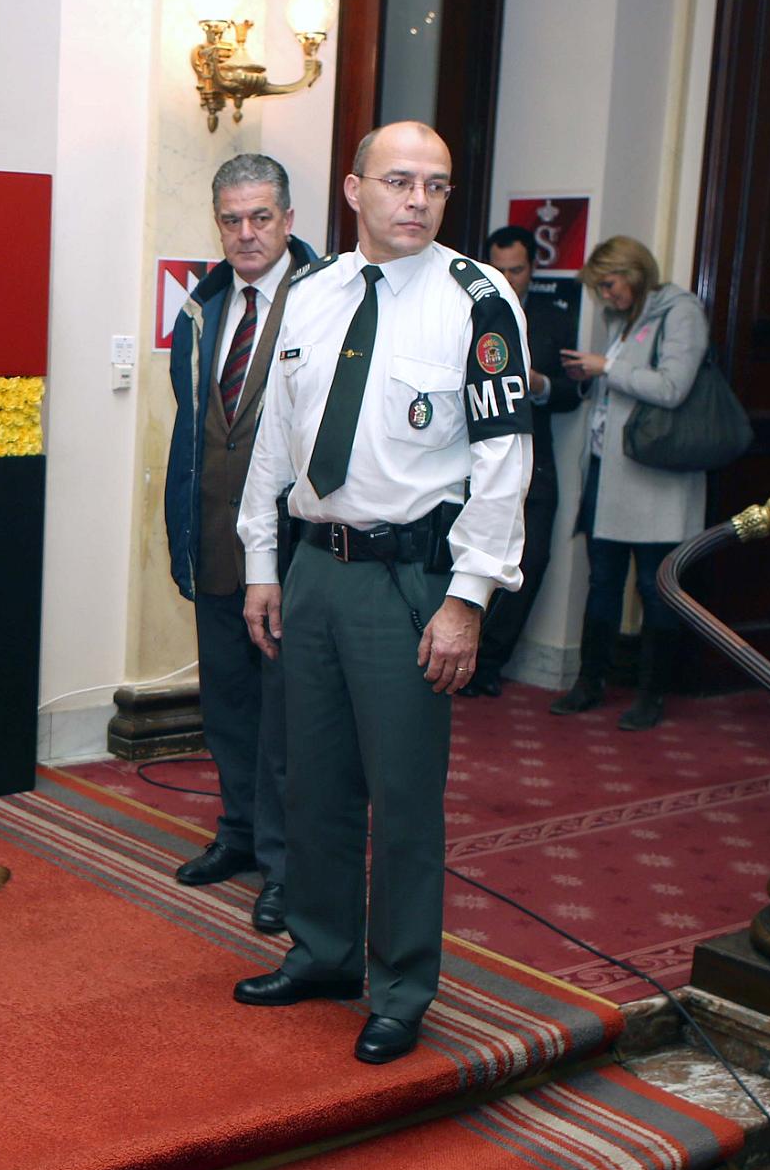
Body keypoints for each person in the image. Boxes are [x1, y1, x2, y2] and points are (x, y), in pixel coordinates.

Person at [235, 121, 531, 1064]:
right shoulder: (312, 297)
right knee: (313, 780)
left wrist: (468, 596)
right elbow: (273, 447)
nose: (418, 200)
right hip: (316, 567)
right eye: (399, 181)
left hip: (410, 581)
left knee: (403, 795)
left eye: (436, 187)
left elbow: (503, 462)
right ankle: (322, 951)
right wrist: (261, 564)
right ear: (354, 189)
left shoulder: (477, 302)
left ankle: (401, 985)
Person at [163, 154, 319, 934]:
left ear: (289, 219)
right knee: (226, 705)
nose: (247, 233)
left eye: (262, 217)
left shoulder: (330, 301)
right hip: (217, 545)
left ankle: (289, 867)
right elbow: (196, 430)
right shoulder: (204, 306)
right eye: (232, 219)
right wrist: (182, 533)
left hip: (296, 558)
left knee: (287, 720)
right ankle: (240, 836)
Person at [549, 235, 710, 730]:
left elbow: (672, 387)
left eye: (610, 283)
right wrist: (590, 375)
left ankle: (650, 693)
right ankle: (590, 681)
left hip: (654, 479)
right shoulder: (619, 318)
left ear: (635, 273)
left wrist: (606, 366)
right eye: (599, 287)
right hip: (607, 469)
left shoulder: (680, 312)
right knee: (602, 582)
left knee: (654, 587)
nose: (605, 294)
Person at [462, 224, 582, 695]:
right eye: (501, 269)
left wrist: (539, 384)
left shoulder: (552, 318)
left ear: (533, 269)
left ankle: (489, 664)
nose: (509, 280)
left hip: (538, 457)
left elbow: (573, 391)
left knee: (531, 561)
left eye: (518, 270)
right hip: (471, 456)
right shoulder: (469, 308)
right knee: (470, 554)